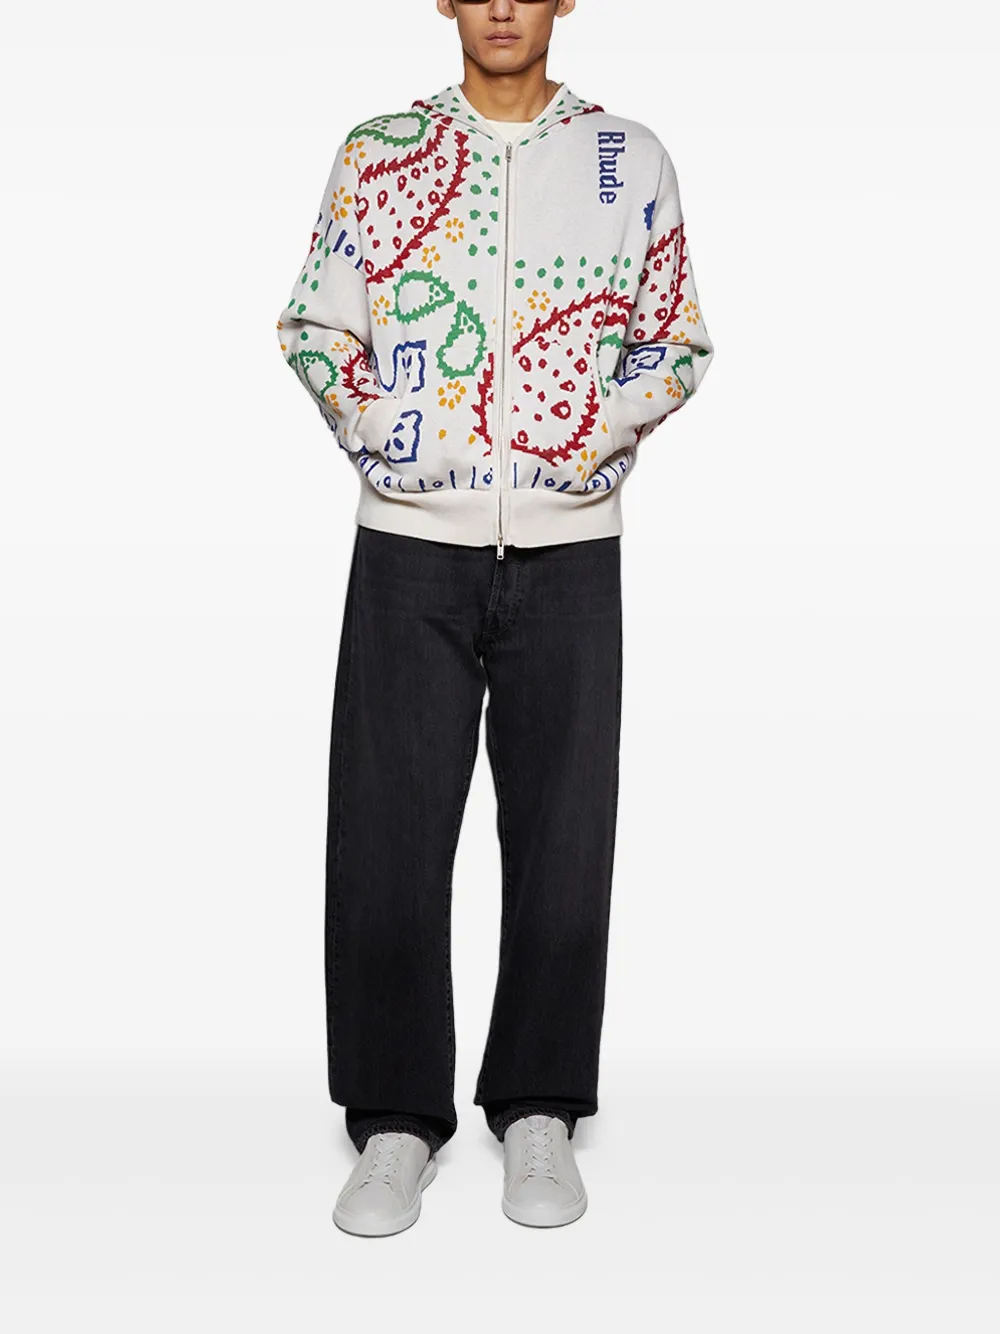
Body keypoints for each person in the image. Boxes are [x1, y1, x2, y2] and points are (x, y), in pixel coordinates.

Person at [275, 0, 714, 1237]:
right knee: (387, 835)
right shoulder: (379, 151)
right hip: (410, 546)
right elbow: (314, 324)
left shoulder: (627, 156)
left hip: (570, 550)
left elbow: (675, 342)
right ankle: (394, 1121)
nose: (504, 4)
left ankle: (537, 1107)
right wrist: (389, 435)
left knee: (565, 837)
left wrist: (588, 438)